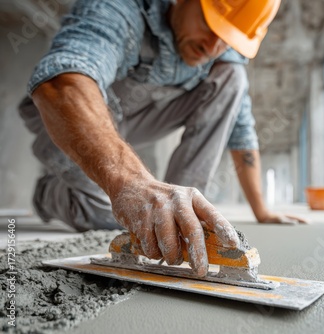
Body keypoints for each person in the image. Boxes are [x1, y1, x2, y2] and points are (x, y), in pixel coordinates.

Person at [18, 0, 307, 277]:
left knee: (233, 76)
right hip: (67, 120)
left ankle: (182, 217)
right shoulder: (120, 8)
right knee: (114, 217)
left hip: (131, 122)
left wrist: (262, 209)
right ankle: (48, 194)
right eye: (209, 24)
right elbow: (61, 83)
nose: (212, 46)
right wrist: (132, 185)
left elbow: (241, 132)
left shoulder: (222, 54)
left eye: (226, 39)